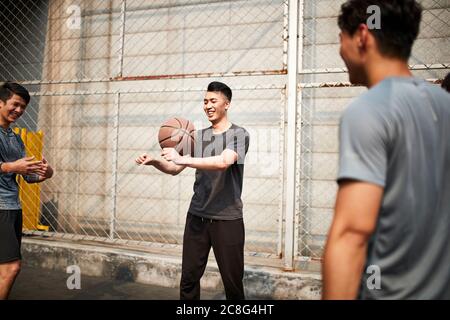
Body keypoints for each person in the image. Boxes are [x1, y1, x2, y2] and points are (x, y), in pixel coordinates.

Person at [323, 0, 450, 299]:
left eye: (340, 39)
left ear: (362, 36)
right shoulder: (444, 104)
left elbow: (352, 234)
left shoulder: (369, 110)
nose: (340, 51)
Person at [136, 81, 250, 300]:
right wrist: (154, 161)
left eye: (213, 101)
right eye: (205, 101)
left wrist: (185, 158)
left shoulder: (239, 134)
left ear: (226, 104)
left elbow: (224, 161)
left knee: (232, 282)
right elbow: (174, 168)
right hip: (197, 216)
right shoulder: (197, 136)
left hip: (227, 218)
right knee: (188, 278)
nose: (207, 106)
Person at [0, 82, 54, 299]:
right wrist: (12, 166)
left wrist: (45, 173)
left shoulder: (14, 137)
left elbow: (28, 177)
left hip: (12, 207)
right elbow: (13, 168)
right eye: (15, 104)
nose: (19, 110)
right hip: (0, 207)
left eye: (23, 107)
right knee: (11, 267)